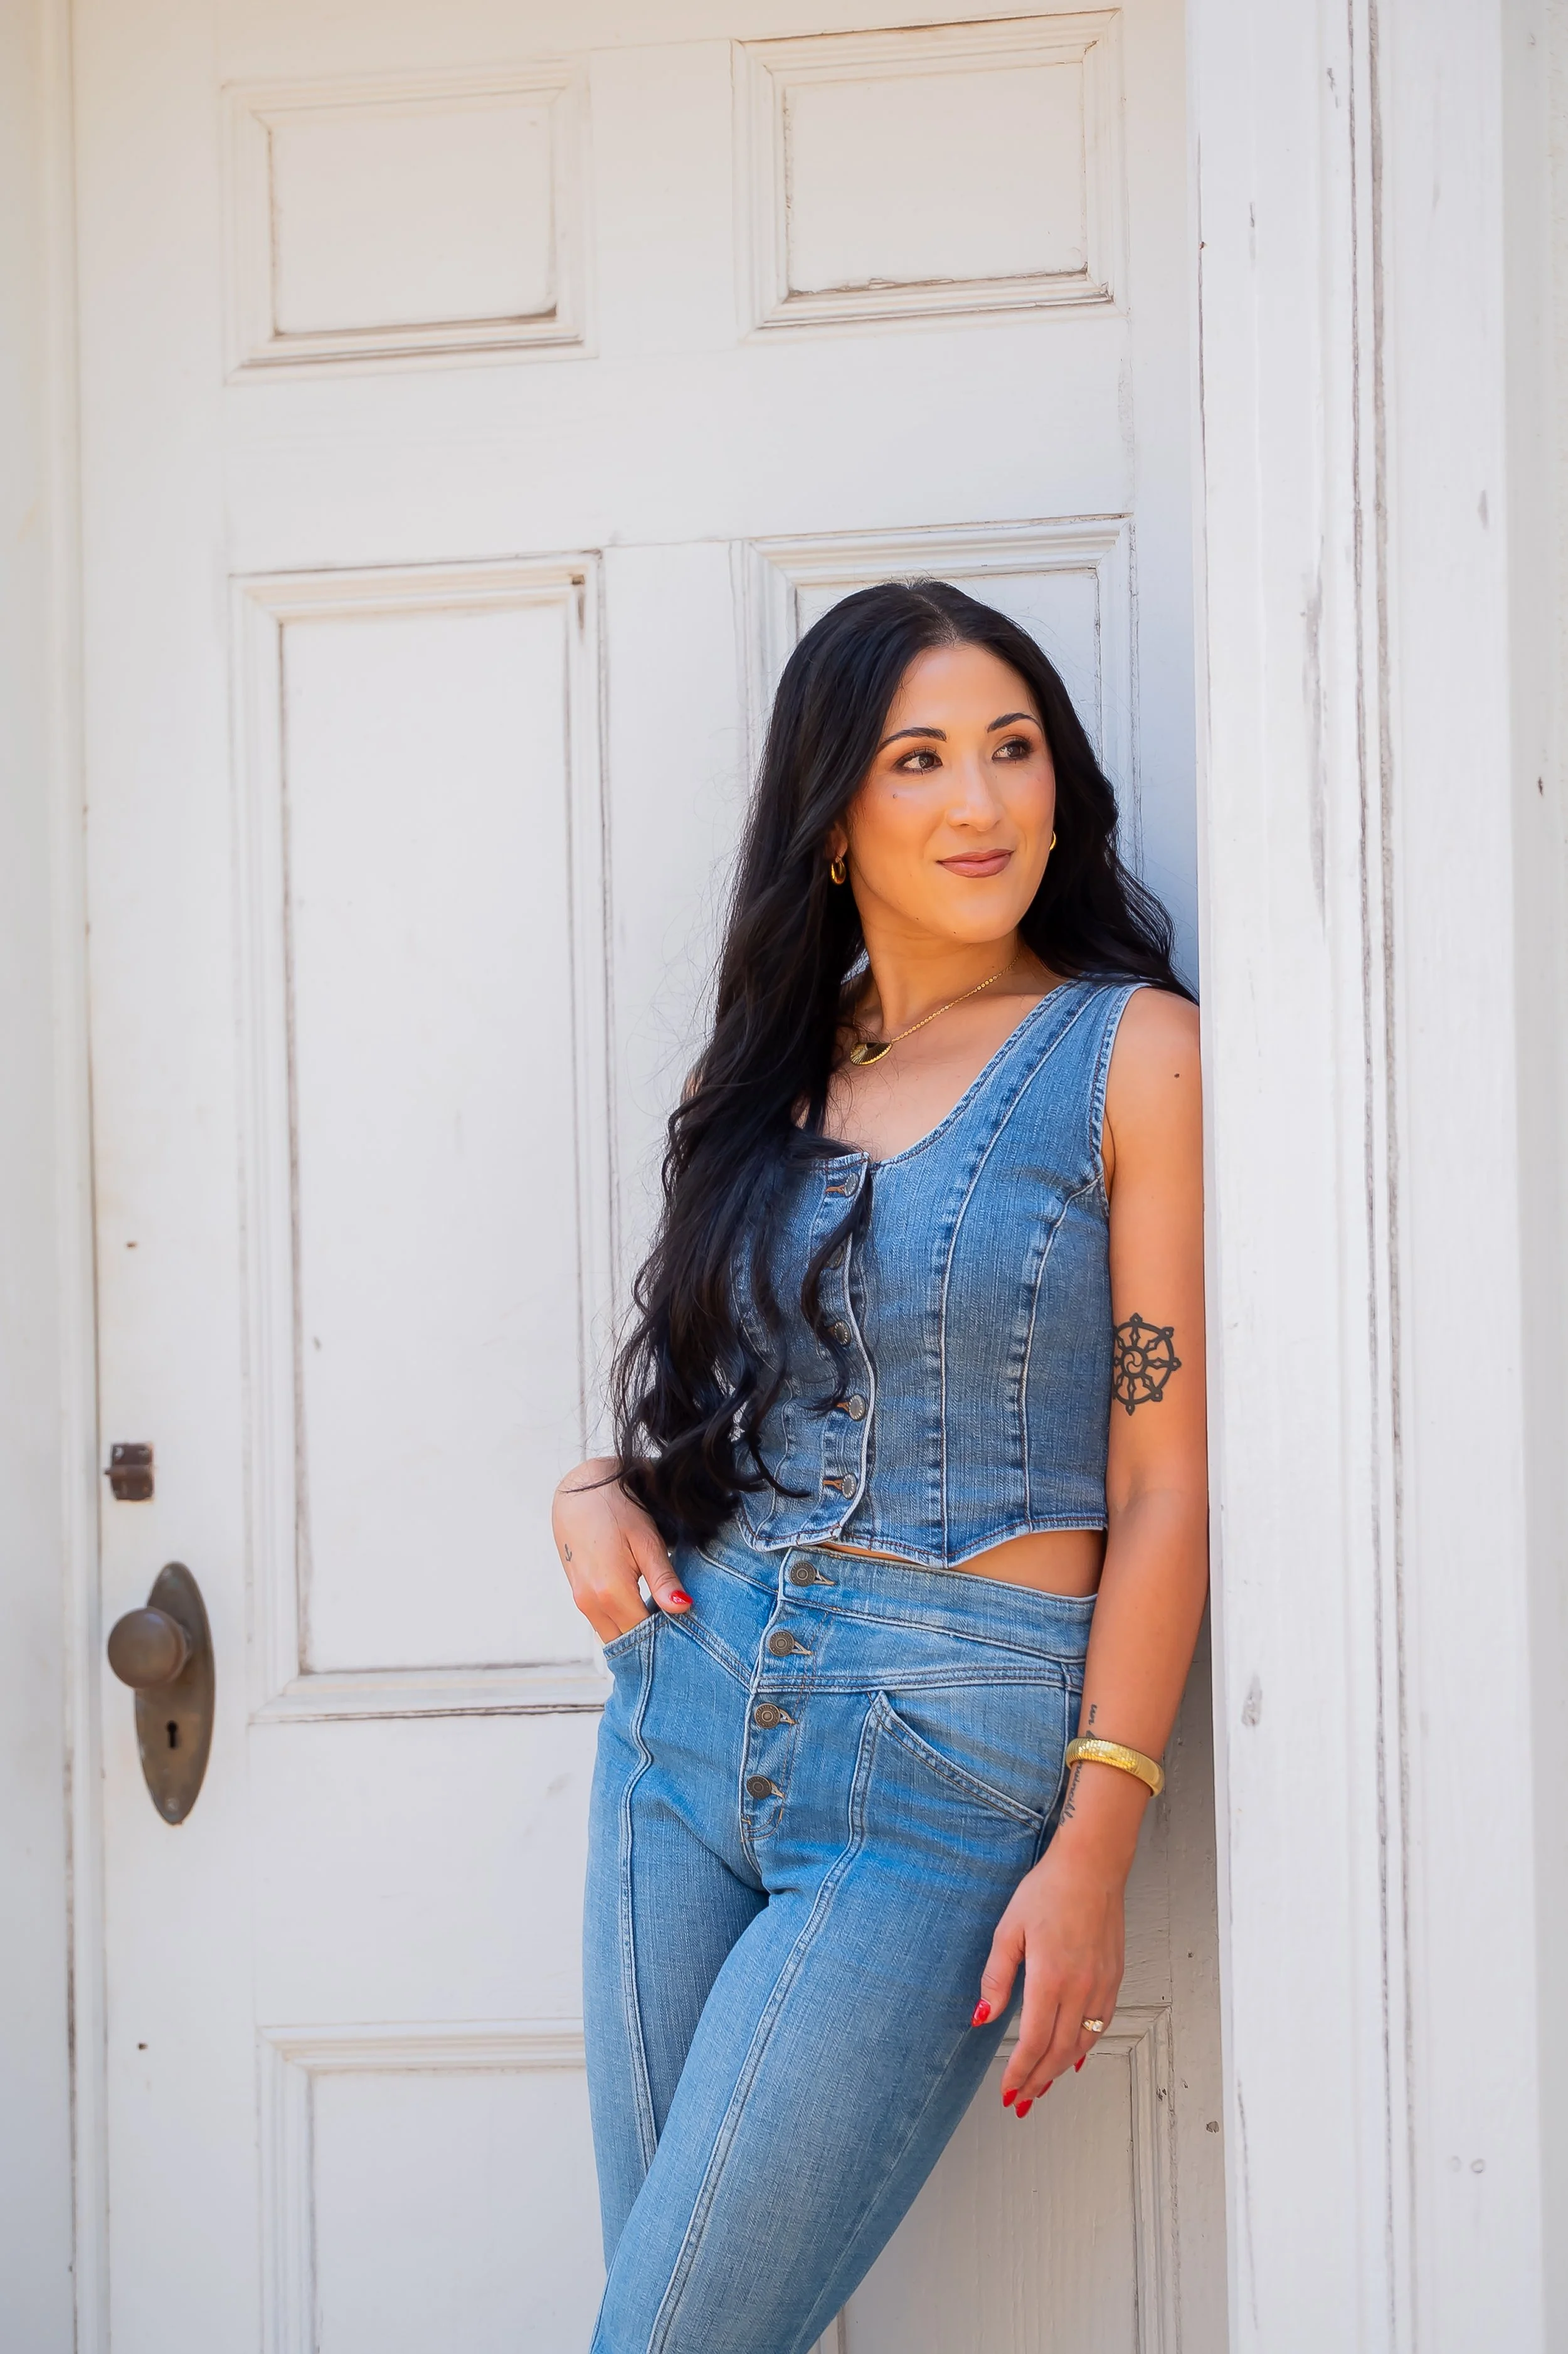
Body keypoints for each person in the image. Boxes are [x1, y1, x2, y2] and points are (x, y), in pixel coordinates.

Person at [553, 580, 1209, 2354]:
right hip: (681, 1728)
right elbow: (733, 1403)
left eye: (1013, 751)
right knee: (672, 2320)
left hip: (936, 1767)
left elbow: (1159, 1484)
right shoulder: (773, 1062)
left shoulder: (1128, 1054)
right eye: (919, 760)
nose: (980, 803)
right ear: (833, 816)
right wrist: (594, 1488)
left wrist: (1096, 1835)